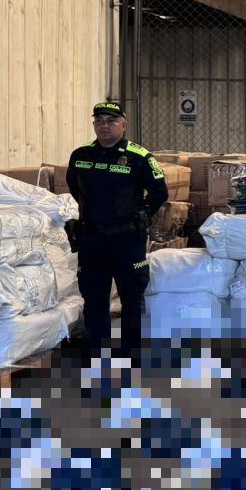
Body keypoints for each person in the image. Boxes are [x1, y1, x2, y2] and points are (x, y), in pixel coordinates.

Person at [65, 100, 168, 360]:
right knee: (94, 298)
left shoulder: (140, 156)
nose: (104, 126)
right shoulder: (81, 155)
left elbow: (159, 192)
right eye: (99, 121)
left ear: (123, 125)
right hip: (92, 239)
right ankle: (97, 355)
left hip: (127, 240)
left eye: (111, 121)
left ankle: (132, 356)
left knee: (131, 298)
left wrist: (139, 215)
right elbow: (76, 190)